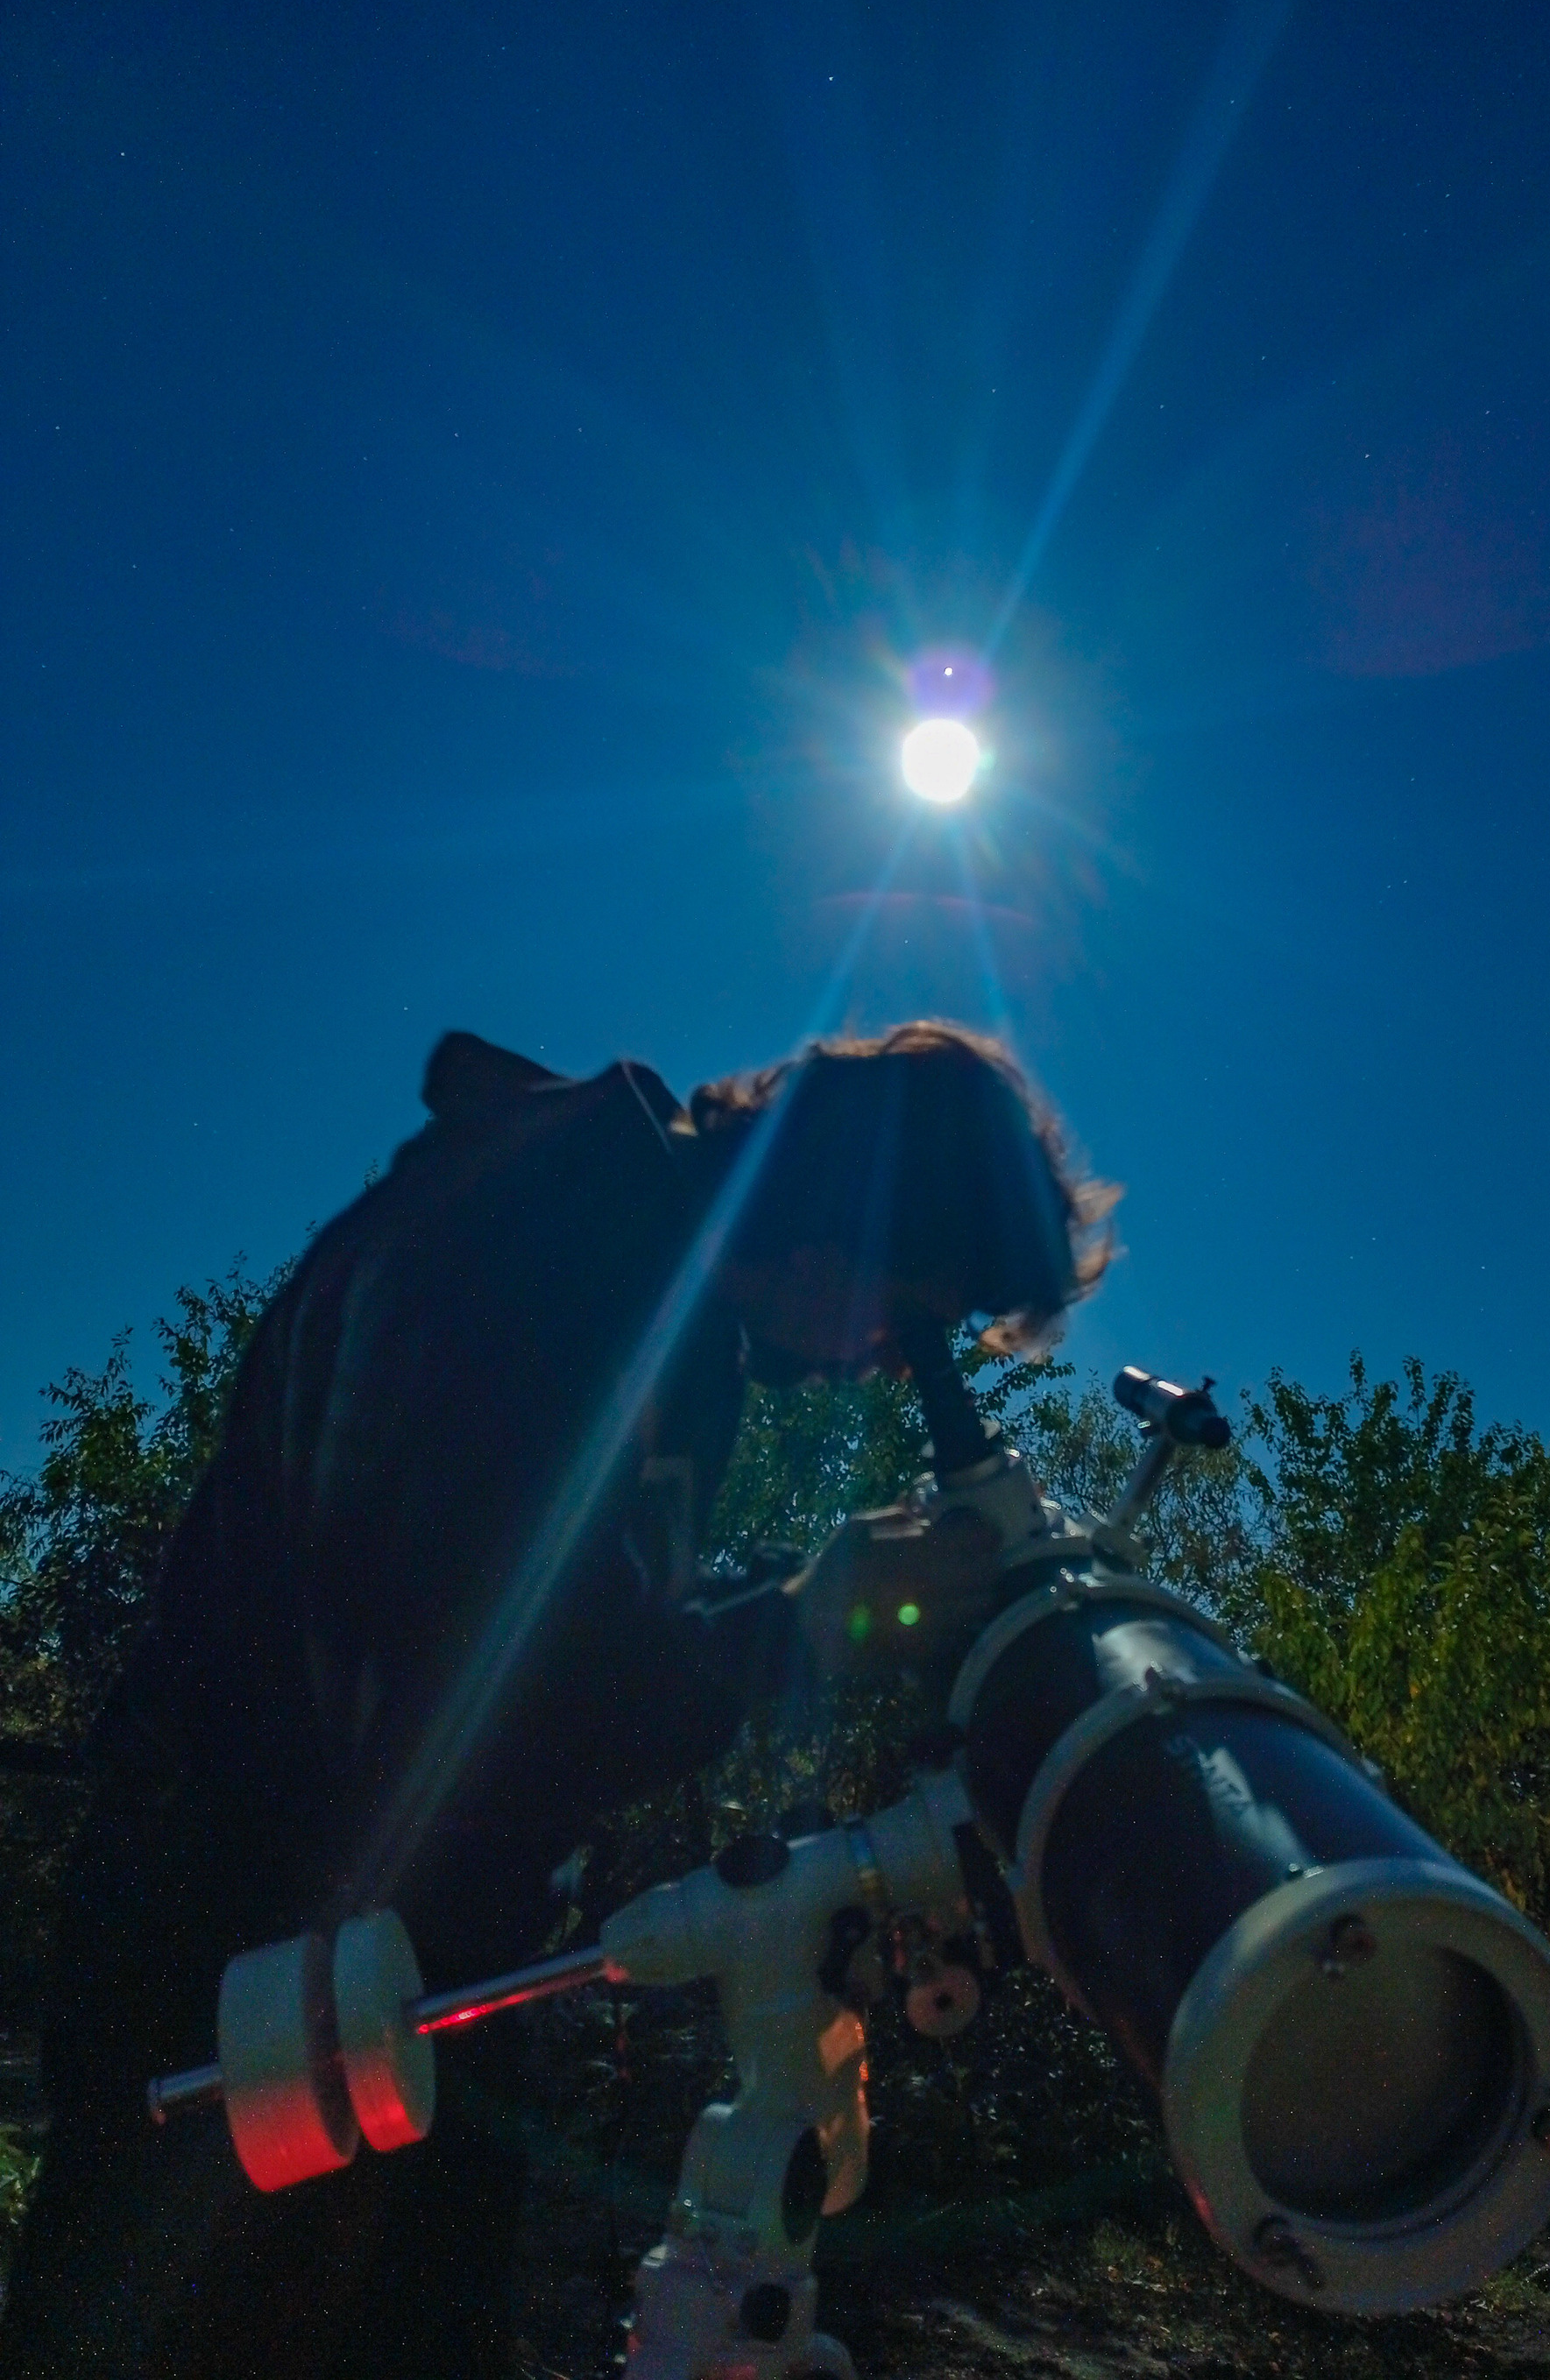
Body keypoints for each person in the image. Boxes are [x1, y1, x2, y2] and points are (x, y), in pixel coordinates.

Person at [0, 1019, 1113, 2379]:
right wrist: (795, 1626)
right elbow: (425, 1714)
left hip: (396, 1956)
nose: (888, 1363)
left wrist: (809, 1591)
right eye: (913, 1318)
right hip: (242, 1953)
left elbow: (565, 1624)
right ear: (849, 1210)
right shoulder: (533, 1243)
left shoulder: (649, 1286)